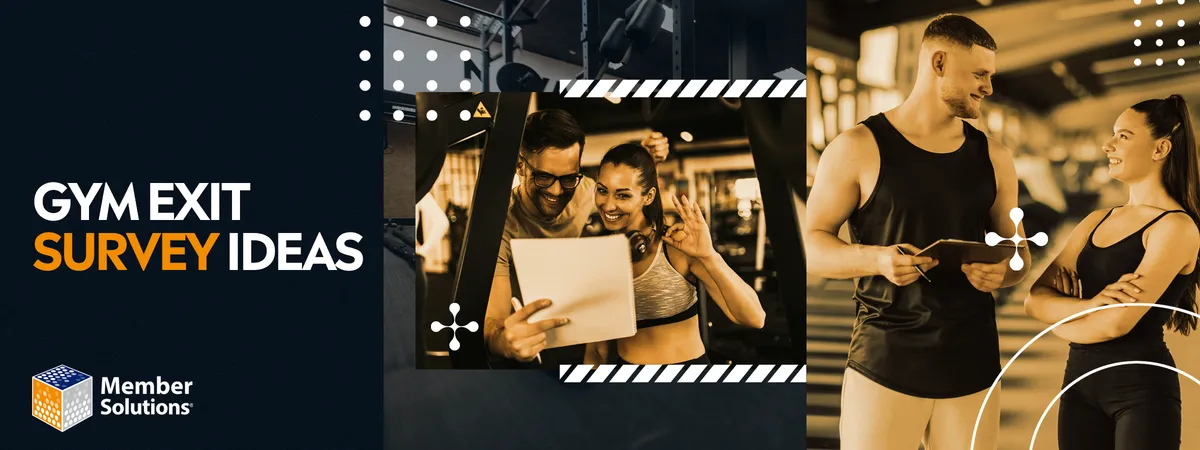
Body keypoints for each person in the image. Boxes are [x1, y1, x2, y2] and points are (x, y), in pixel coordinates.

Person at [804, 14, 1030, 449]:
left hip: (973, 363)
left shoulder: (995, 158)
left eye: (990, 76)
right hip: (886, 363)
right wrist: (877, 259)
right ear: (939, 63)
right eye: (979, 74)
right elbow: (813, 247)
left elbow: (1018, 255)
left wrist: (1005, 272)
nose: (988, 87)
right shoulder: (856, 147)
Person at [1023, 95, 1199, 450]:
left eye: (1123, 136)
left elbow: (1116, 324)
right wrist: (1091, 305)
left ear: (1160, 148)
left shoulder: (1175, 228)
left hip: (1140, 394)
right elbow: (1033, 300)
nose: (1108, 145)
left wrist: (1059, 320)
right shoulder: (1095, 221)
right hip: (1078, 386)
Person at [483, 109, 669, 366]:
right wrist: (504, 341)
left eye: (568, 178)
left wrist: (644, 161)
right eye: (544, 177)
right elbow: (492, 321)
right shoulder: (499, 223)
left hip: (586, 341)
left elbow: (627, 200)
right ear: (520, 166)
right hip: (532, 349)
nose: (557, 191)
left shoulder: (586, 192)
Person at [578, 143, 765, 365]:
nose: (608, 205)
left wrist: (708, 256)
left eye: (623, 195)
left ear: (648, 197)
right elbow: (596, 350)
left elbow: (755, 318)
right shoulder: (599, 257)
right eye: (602, 191)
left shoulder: (677, 246)